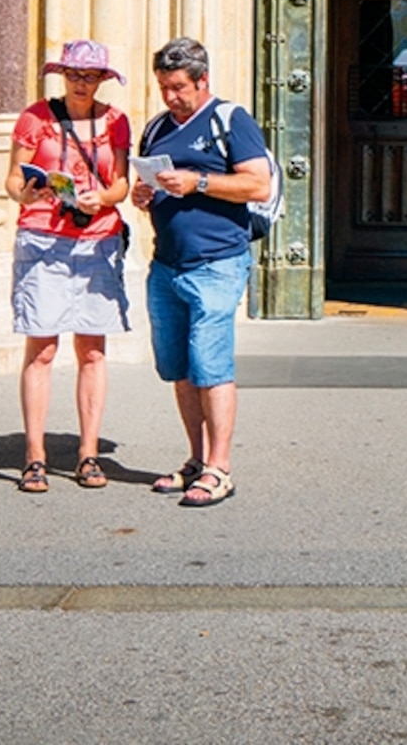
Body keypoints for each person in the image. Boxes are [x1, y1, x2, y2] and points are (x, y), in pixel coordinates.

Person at [133, 37, 274, 509]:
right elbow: (154, 183)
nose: (170, 97)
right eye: (163, 87)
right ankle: (195, 459)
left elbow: (258, 184)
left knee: (211, 366)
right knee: (180, 368)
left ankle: (220, 468)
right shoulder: (155, 128)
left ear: (202, 81)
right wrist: (145, 194)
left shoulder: (230, 121)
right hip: (167, 263)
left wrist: (200, 181)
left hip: (217, 263)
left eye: (178, 87)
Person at [6, 41, 131, 495]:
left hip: (97, 240)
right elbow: (13, 178)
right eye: (74, 74)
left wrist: (105, 198)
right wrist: (28, 194)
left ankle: (88, 453)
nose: (81, 82)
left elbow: (120, 182)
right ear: (62, 75)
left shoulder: (115, 121)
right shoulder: (35, 117)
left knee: (92, 350)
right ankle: (34, 457)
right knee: (41, 349)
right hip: (43, 237)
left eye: (91, 74)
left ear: (103, 79)